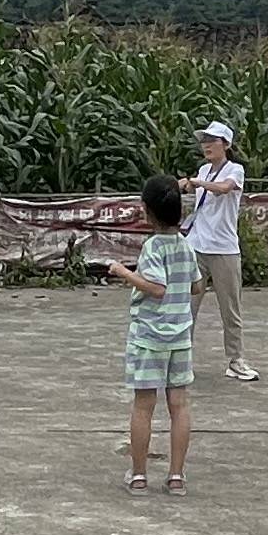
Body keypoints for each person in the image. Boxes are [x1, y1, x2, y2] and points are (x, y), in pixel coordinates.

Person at [99, 174, 198, 491]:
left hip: (150, 336)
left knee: (144, 405)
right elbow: (196, 284)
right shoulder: (185, 245)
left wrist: (124, 272)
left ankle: (139, 474)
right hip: (181, 335)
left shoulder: (153, 247)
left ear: (148, 210)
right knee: (179, 405)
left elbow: (156, 288)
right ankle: (177, 476)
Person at [186, 121, 256, 383]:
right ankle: (181, 358)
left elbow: (226, 187)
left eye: (212, 140)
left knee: (231, 307)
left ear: (226, 144)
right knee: (187, 306)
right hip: (197, 245)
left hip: (224, 248)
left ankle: (236, 359)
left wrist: (197, 182)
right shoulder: (204, 169)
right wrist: (198, 181)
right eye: (204, 140)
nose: (206, 145)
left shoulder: (235, 170)